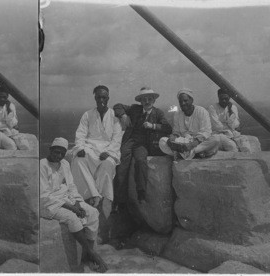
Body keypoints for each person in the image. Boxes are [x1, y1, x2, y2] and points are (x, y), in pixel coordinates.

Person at [40, 137, 108, 273]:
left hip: (68, 199)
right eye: (56, 152)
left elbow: (71, 186)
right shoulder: (42, 165)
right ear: (50, 150)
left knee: (93, 213)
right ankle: (91, 253)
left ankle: (87, 254)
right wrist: (72, 208)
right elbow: (44, 195)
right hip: (49, 203)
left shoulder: (64, 164)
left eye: (61, 153)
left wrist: (77, 203)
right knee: (72, 218)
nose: (58, 156)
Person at [70, 85, 123, 235]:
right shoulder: (87, 115)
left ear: (108, 98)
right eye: (98, 97)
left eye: (104, 97)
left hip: (107, 151)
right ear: (95, 98)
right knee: (78, 161)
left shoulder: (114, 117)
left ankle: (102, 197)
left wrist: (109, 152)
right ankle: (93, 195)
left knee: (107, 164)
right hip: (90, 148)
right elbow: (80, 134)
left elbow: (117, 138)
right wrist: (80, 147)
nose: (101, 100)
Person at [113, 87, 172, 204]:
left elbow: (168, 128)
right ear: (140, 101)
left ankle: (141, 194)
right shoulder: (135, 109)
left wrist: (153, 126)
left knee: (140, 161)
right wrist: (123, 115)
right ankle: (118, 201)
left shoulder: (158, 113)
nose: (147, 101)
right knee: (121, 165)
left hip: (143, 144)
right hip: (129, 141)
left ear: (154, 100)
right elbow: (117, 106)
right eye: (144, 99)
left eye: (150, 99)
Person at [159, 88, 220, 160]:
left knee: (216, 139)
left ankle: (186, 154)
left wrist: (191, 144)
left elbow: (206, 132)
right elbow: (176, 132)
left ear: (192, 100)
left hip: (197, 143)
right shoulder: (177, 114)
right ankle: (194, 153)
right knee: (162, 141)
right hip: (183, 143)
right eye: (180, 101)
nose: (183, 104)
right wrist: (173, 137)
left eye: (185, 101)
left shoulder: (201, 111)